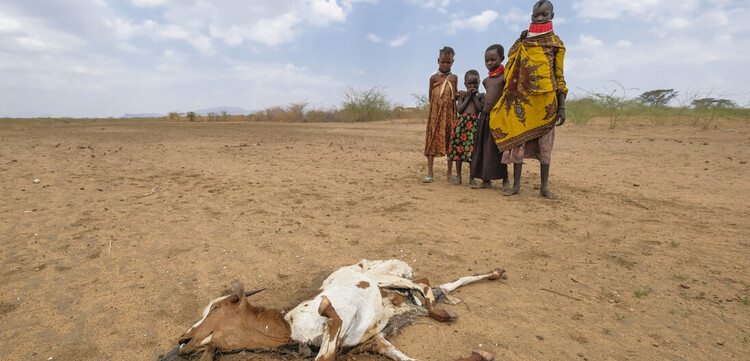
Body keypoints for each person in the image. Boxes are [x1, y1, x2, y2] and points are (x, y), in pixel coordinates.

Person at [489, 0, 567, 198]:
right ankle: (516, 185)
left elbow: (559, 75)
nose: (539, 18)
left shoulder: (556, 43)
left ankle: (544, 187)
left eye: (544, 15)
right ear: (531, 16)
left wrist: (562, 106)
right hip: (521, 101)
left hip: (546, 102)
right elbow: (511, 62)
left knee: (545, 146)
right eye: (535, 15)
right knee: (518, 143)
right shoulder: (522, 40)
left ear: (552, 16)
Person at [470, 44, 509, 190]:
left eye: (493, 59)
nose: (489, 63)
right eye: (487, 60)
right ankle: (486, 181)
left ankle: (505, 179)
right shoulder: (486, 81)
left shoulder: (505, 77)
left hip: (498, 118)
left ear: (502, 58)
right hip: (485, 118)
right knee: (483, 149)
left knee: (499, 150)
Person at [424, 46, 458, 183]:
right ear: (438, 61)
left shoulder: (454, 78)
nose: (445, 65)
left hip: (449, 115)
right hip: (435, 115)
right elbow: (430, 97)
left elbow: (454, 96)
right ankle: (430, 172)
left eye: (448, 62)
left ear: (452, 62)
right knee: (432, 141)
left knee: (451, 142)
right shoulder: (433, 78)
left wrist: (460, 93)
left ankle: (449, 173)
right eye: (443, 62)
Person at [448, 70, 483, 186]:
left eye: (475, 83)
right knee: (459, 152)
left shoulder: (481, 96)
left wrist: (473, 97)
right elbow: (460, 110)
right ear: (465, 84)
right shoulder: (462, 96)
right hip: (461, 127)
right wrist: (468, 96)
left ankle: (472, 178)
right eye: (469, 84)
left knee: (472, 153)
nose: (472, 86)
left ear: (479, 82)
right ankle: (459, 177)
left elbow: (480, 109)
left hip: (473, 127)